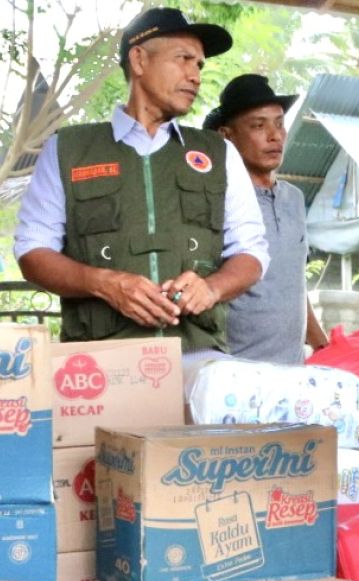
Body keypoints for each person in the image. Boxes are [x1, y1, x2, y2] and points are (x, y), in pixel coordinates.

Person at [13, 7, 269, 354]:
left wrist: (211, 289)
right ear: (139, 60)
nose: (195, 75)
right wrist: (106, 283)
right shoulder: (68, 150)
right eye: (184, 59)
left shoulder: (219, 153)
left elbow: (250, 252)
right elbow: (33, 250)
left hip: (196, 360)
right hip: (98, 364)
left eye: (199, 65)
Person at [203, 74, 328, 364]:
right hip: (233, 372)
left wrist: (322, 346)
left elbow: (293, 283)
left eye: (279, 123)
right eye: (259, 125)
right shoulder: (213, 200)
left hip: (291, 374)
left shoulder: (294, 199)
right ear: (226, 135)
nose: (275, 136)